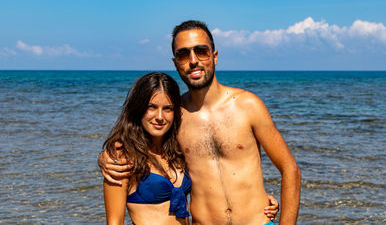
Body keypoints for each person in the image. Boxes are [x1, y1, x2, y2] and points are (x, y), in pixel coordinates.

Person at [100, 20, 299, 224]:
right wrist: (106, 157)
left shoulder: (248, 105)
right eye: (183, 54)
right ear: (176, 62)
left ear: (214, 56)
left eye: (201, 51)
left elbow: (289, 168)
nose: (193, 60)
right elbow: (141, 143)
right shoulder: (174, 116)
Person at [103, 72, 191, 225]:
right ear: (139, 108)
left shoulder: (178, 150)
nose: (159, 116)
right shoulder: (123, 158)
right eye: (151, 107)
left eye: (167, 108)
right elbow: (114, 221)